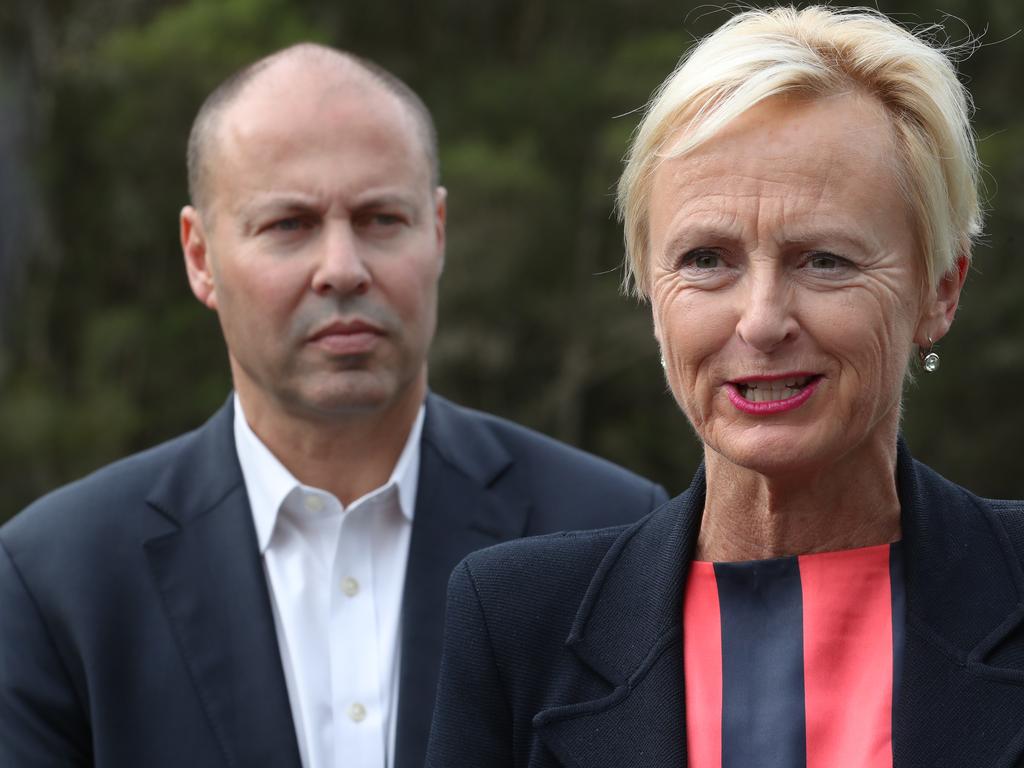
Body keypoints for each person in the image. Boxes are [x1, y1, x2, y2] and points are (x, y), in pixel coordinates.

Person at [0, 44, 668, 768]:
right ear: (199, 256)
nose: (343, 268)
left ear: (437, 232)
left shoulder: (616, 535)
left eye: (382, 218)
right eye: (288, 224)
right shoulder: (56, 580)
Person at [427, 7, 1024, 767]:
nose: (762, 320)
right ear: (650, 292)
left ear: (939, 293)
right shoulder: (517, 623)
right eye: (707, 259)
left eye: (825, 260)